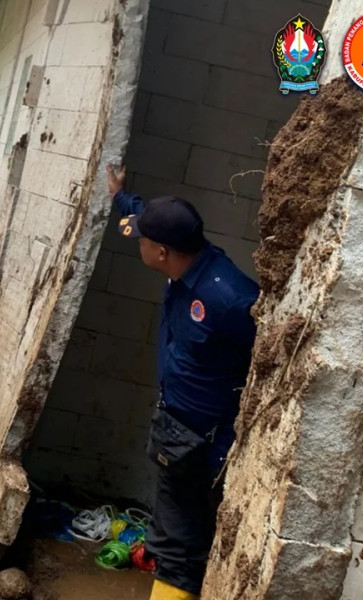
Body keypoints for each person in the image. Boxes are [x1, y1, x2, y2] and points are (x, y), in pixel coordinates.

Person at [107, 165, 259, 600]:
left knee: (182, 550)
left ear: (161, 252)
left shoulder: (229, 299)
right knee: (172, 534)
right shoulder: (187, 258)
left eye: (142, 239)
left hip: (202, 444)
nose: (137, 241)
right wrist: (121, 196)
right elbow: (136, 216)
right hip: (175, 428)